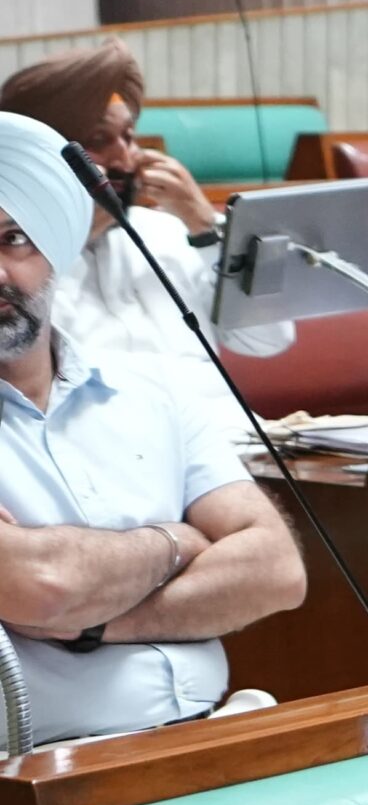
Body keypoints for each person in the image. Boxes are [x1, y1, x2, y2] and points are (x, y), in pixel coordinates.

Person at [0, 115, 307, 746]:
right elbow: (44, 587)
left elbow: (277, 569)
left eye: (15, 240)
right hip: (42, 769)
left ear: (53, 251)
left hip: (208, 735)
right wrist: (177, 541)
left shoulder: (151, 393)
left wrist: (98, 625)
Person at [0, 43, 295, 416]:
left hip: (227, 435)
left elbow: (269, 340)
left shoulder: (168, 232)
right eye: (99, 141)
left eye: (129, 136)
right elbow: (29, 362)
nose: (125, 159)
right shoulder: (18, 260)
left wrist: (206, 229)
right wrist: (73, 239)